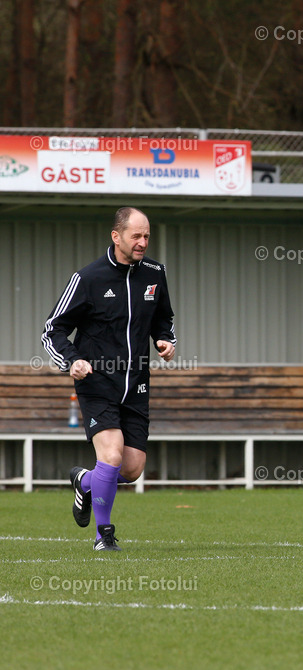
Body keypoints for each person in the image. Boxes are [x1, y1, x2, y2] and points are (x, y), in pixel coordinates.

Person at [42, 207, 176, 551]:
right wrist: (72, 360)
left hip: (136, 385)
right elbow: (53, 329)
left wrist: (165, 339)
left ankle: (85, 482)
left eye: (147, 236)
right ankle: (104, 535)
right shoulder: (88, 278)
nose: (143, 242)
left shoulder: (155, 273)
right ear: (116, 236)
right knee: (112, 456)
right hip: (97, 383)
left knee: (131, 469)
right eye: (136, 236)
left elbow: (164, 318)